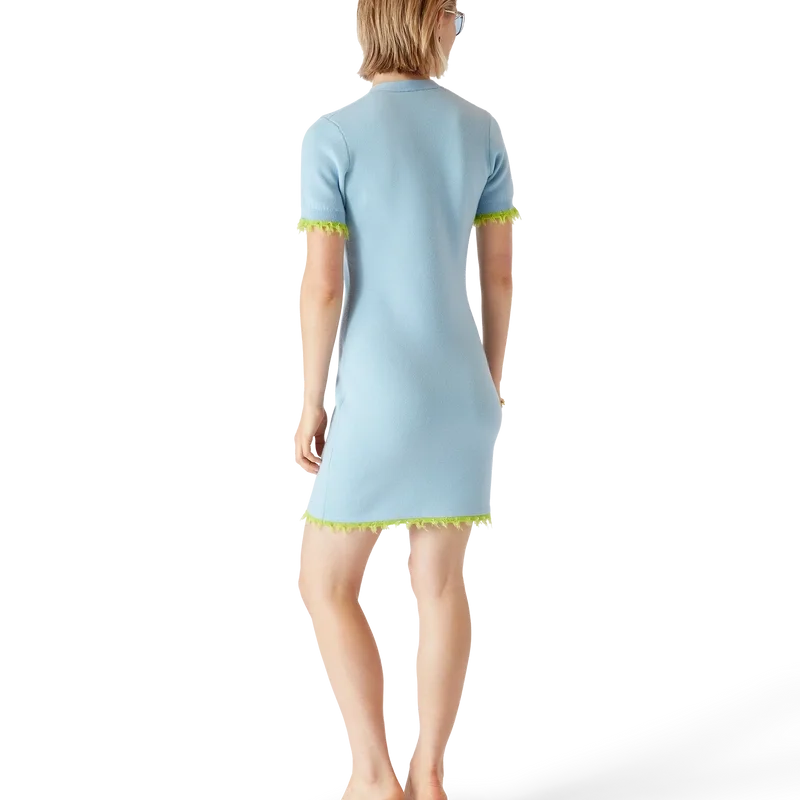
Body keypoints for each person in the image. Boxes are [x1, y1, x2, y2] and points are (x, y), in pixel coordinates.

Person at [293, 2, 518, 798]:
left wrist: (310, 407)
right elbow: (500, 277)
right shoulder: (483, 129)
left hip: (377, 394)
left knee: (327, 583)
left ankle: (371, 776)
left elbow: (323, 287)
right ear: (431, 23)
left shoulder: (332, 133)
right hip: (460, 392)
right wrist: (490, 382)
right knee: (443, 583)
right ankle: (427, 778)